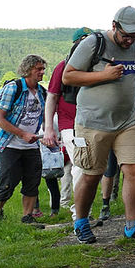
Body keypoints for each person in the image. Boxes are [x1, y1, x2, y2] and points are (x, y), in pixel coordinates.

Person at [62, 7, 135, 245]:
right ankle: (81, 222)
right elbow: (68, 76)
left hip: (128, 121)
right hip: (93, 122)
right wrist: (104, 75)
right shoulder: (94, 43)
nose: (129, 40)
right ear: (114, 25)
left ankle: (133, 226)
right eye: (126, 35)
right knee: (92, 175)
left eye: (134, 35)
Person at [0, 55, 48, 223]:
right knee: (8, 180)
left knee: (32, 181)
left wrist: (46, 134)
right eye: (38, 69)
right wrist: (22, 134)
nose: (42, 72)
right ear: (28, 70)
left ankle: (27, 217)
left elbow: (43, 117)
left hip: (31, 145)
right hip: (10, 143)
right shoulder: (12, 89)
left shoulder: (42, 92)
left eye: (43, 69)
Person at [43, 27, 91, 216]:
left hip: (93, 124)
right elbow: (52, 97)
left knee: (90, 168)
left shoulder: (96, 66)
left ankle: (82, 210)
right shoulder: (63, 67)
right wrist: (49, 129)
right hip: (69, 125)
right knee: (79, 166)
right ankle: (79, 214)